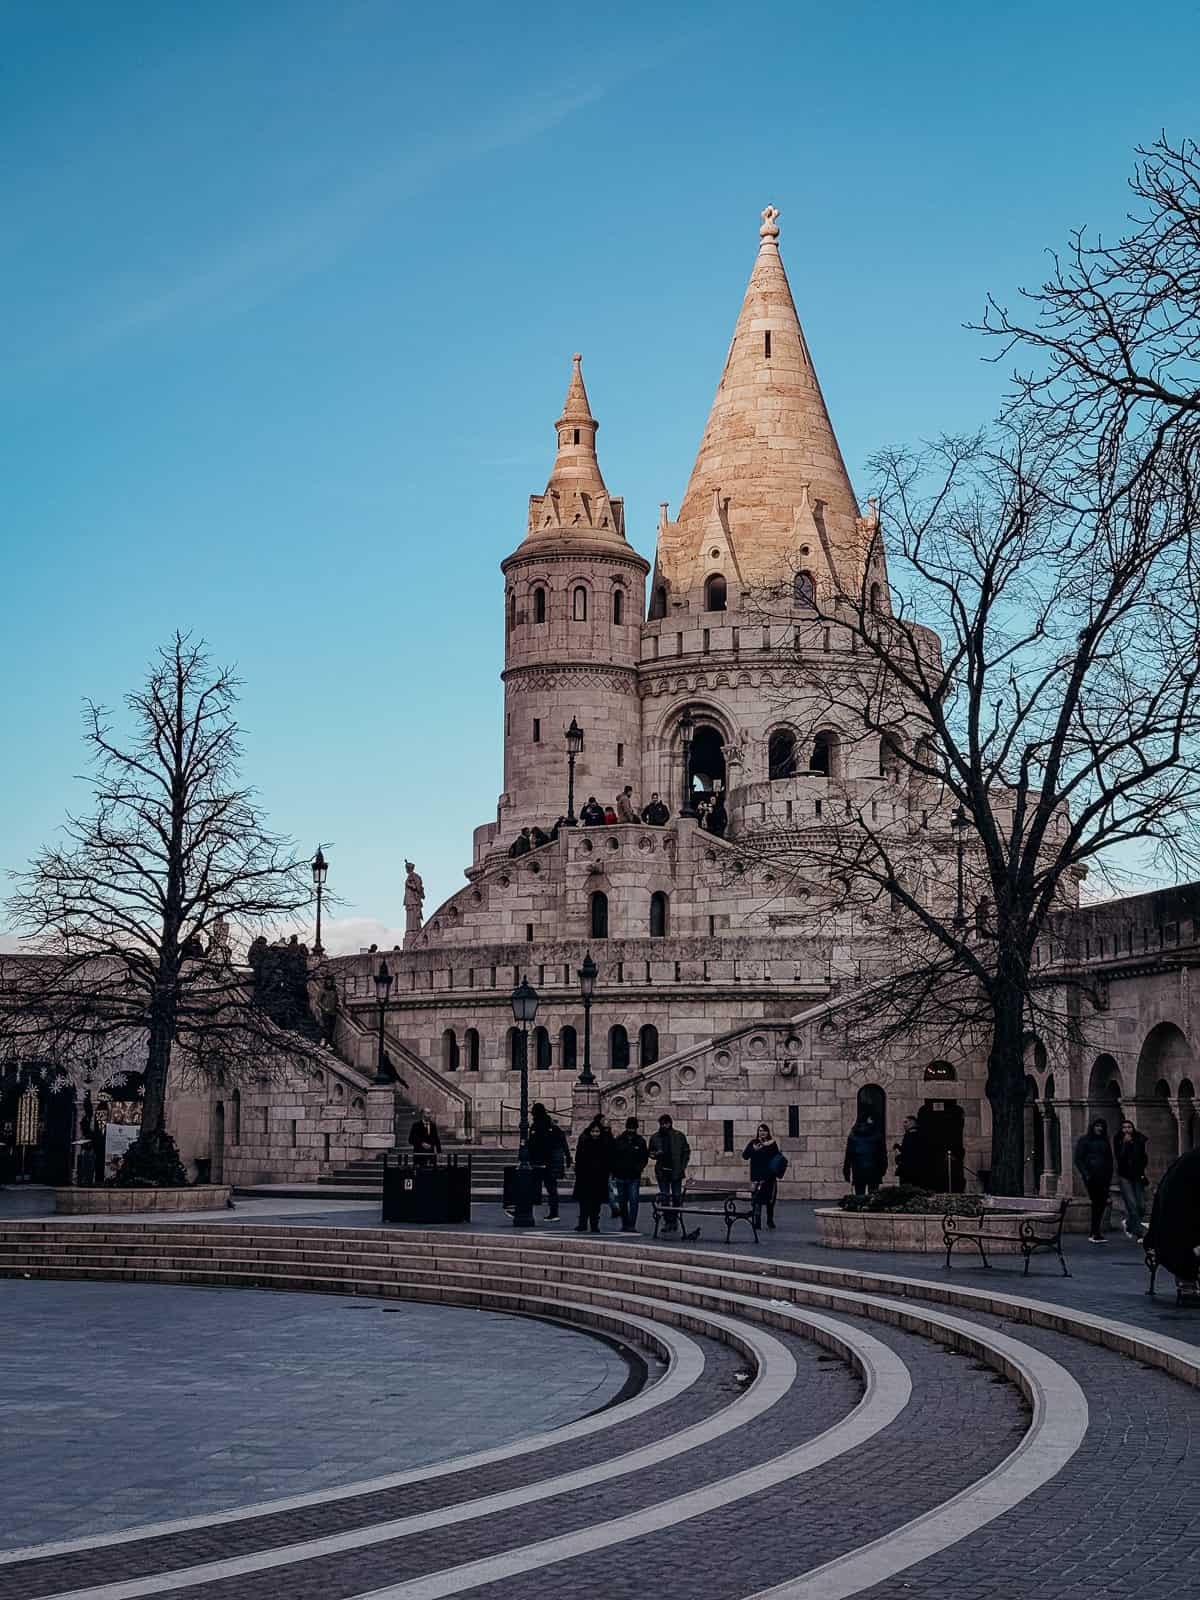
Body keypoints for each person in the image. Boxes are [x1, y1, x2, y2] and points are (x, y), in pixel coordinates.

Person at [1144, 1147, 1200, 1292]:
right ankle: (1187, 1284)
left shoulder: (1189, 1160)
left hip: (1173, 1228)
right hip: (1177, 1234)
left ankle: (1187, 1283)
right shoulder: (1191, 1164)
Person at [1074, 1116, 1115, 1242]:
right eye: (1097, 1126)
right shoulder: (1084, 1141)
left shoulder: (1105, 1141)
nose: (1099, 1129)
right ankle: (1094, 1232)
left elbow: (1109, 1159)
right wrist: (1085, 1173)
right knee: (1097, 1202)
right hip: (1091, 1176)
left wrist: (1109, 1175)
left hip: (1104, 1176)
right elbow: (1078, 1159)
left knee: (1101, 1203)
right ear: (1092, 1127)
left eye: (1101, 1126)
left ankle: (1095, 1231)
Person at [527, 1102, 570, 1221]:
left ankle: (530, 1212)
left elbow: (532, 1144)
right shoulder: (551, 1125)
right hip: (549, 1162)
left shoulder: (536, 1126)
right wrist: (567, 1157)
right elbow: (562, 1142)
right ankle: (554, 1213)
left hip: (539, 1161)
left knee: (534, 1188)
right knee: (551, 1189)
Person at [649, 1113, 691, 1232]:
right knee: (665, 1197)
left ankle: (674, 1220)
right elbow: (650, 1152)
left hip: (676, 1171)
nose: (664, 1126)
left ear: (670, 1123)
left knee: (677, 1197)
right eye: (662, 1124)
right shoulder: (655, 1137)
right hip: (662, 1171)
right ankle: (668, 1222)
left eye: (666, 1123)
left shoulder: (679, 1136)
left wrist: (682, 1166)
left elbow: (686, 1151)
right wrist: (655, 1154)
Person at [573, 1114, 614, 1233]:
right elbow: (579, 1159)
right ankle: (582, 1223)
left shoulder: (604, 1143)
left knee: (596, 1204)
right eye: (593, 1131)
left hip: (599, 1178)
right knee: (584, 1202)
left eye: (597, 1131)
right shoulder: (584, 1143)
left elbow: (608, 1160)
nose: (595, 1134)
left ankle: (594, 1224)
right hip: (585, 1177)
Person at [610, 1116, 649, 1232]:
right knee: (622, 1202)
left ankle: (631, 1225)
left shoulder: (640, 1141)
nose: (631, 1130)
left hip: (634, 1177)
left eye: (633, 1128)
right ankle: (625, 1223)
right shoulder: (619, 1140)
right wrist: (615, 1170)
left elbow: (644, 1157)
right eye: (630, 1128)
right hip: (621, 1176)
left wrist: (639, 1168)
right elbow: (614, 1157)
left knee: (633, 1201)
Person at [1113, 1118, 1150, 1238]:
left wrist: (1142, 1170)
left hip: (1137, 1175)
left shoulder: (1139, 1139)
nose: (1127, 1130)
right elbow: (1119, 1157)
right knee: (1132, 1204)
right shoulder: (1118, 1140)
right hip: (1125, 1176)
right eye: (1124, 1127)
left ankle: (1129, 1223)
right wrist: (1124, 1144)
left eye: (1129, 1127)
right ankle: (1140, 1233)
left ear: (1133, 1128)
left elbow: (1143, 1157)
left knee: (1141, 1206)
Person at [743, 1122, 782, 1230]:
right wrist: (753, 1150)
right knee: (757, 1200)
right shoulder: (753, 1143)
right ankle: (757, 1222)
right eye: (760, 1131)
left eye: (764, 1131)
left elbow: (776, 1158)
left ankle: (770, 1220)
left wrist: (768, 1146)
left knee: (770, 1201)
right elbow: (745, 1156)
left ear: (768, 1132)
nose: (762, 1133)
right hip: (756, 1177)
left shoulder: (772, 1144)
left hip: (769, 1177)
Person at [843, 1113, 887, 1195]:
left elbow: (848, 1155)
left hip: (858, 1169)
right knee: (873, 1195)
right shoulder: (877, 1134)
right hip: (874, 1169)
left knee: (859, 1194)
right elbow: (882, 1154)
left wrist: (846, 1171)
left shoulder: (853, 1135)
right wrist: (883, 1168)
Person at [895, 1115, 932, 1189]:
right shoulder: (921, 1134)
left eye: (906, 1122)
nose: (904, 1125)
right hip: (917, 1169)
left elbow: (908, 1151)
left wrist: (899, 1155)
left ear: (912, 1123)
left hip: (910, 1169)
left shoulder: (911, 1135)